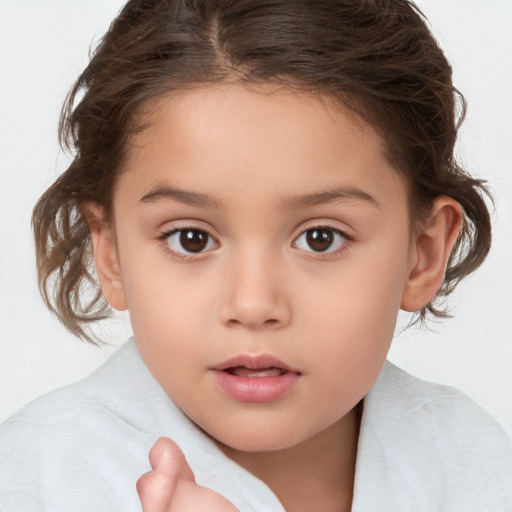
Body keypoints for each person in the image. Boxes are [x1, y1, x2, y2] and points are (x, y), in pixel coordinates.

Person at [0, 0, 511, 510]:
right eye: (191, 239)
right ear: (109, 252)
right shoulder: (39, 478)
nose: (252, 304)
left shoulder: (469, 463)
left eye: (321, 238)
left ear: (421, 255)